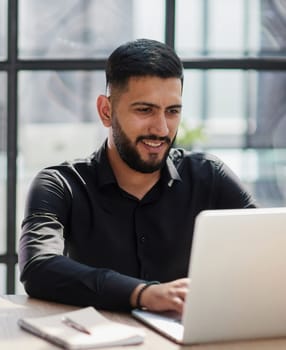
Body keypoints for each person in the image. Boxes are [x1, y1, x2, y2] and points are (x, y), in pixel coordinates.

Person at [19, 38, 256, 313]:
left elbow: (269, 248)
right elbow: (38, 266)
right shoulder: (60, 185)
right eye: (145, 110)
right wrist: (143, 294)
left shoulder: (209, 176)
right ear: (106, 111)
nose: (162, 129)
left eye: (172, 111)